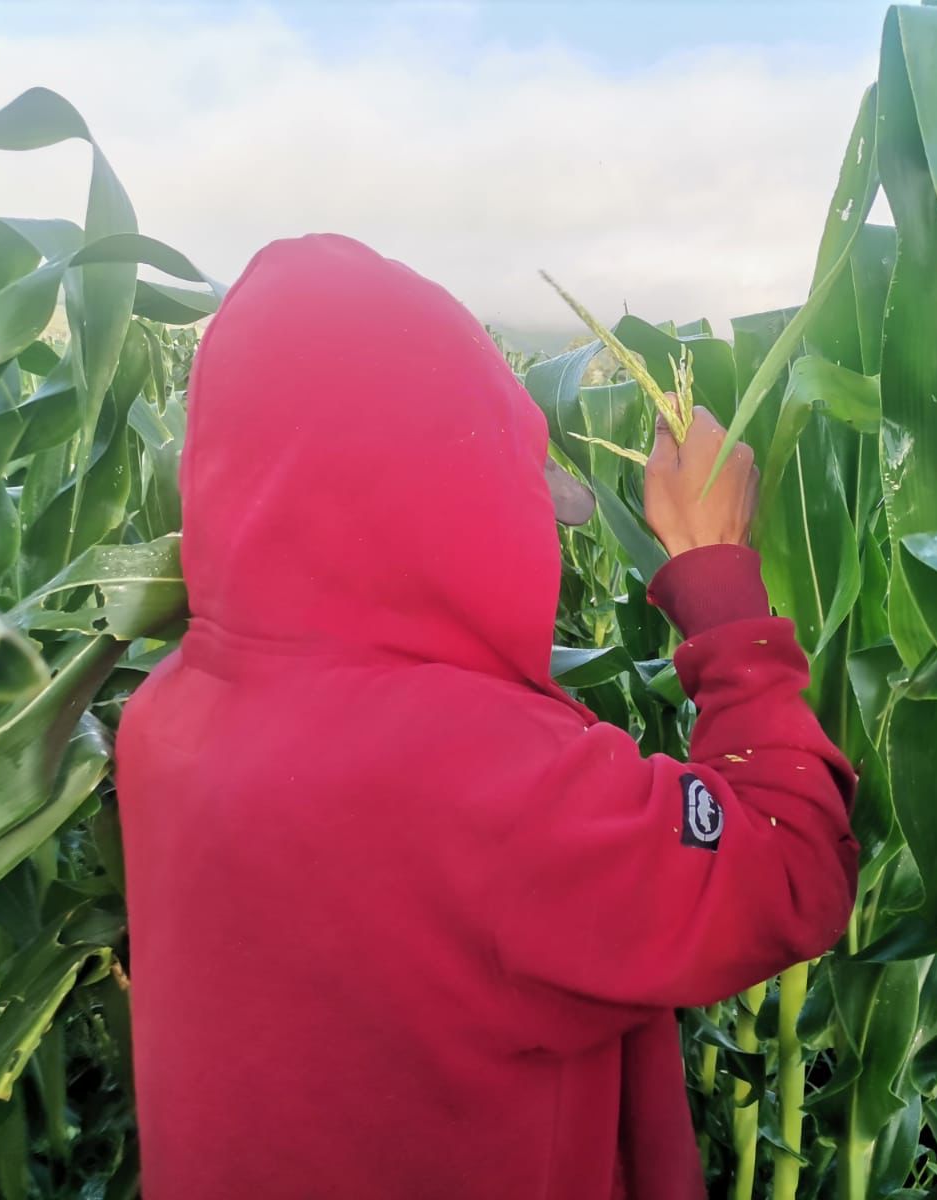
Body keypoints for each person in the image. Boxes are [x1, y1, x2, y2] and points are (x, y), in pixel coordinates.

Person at [114, 233, 861, 1199]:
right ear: (443, 497)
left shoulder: (167, 718)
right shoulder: (492, 787)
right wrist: (722, 587)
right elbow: (793, 860)